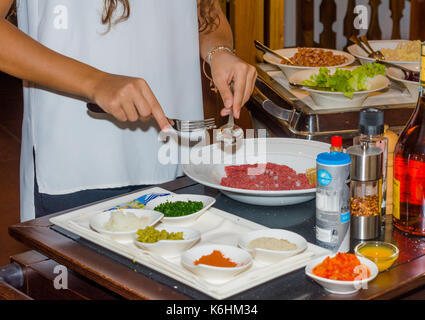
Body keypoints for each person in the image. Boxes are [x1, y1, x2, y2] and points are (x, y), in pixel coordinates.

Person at [0, 0, 257, 221]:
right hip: (77, 170)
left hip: (181, 164)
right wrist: (95, 82)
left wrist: (219, 52)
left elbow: (205, 13)